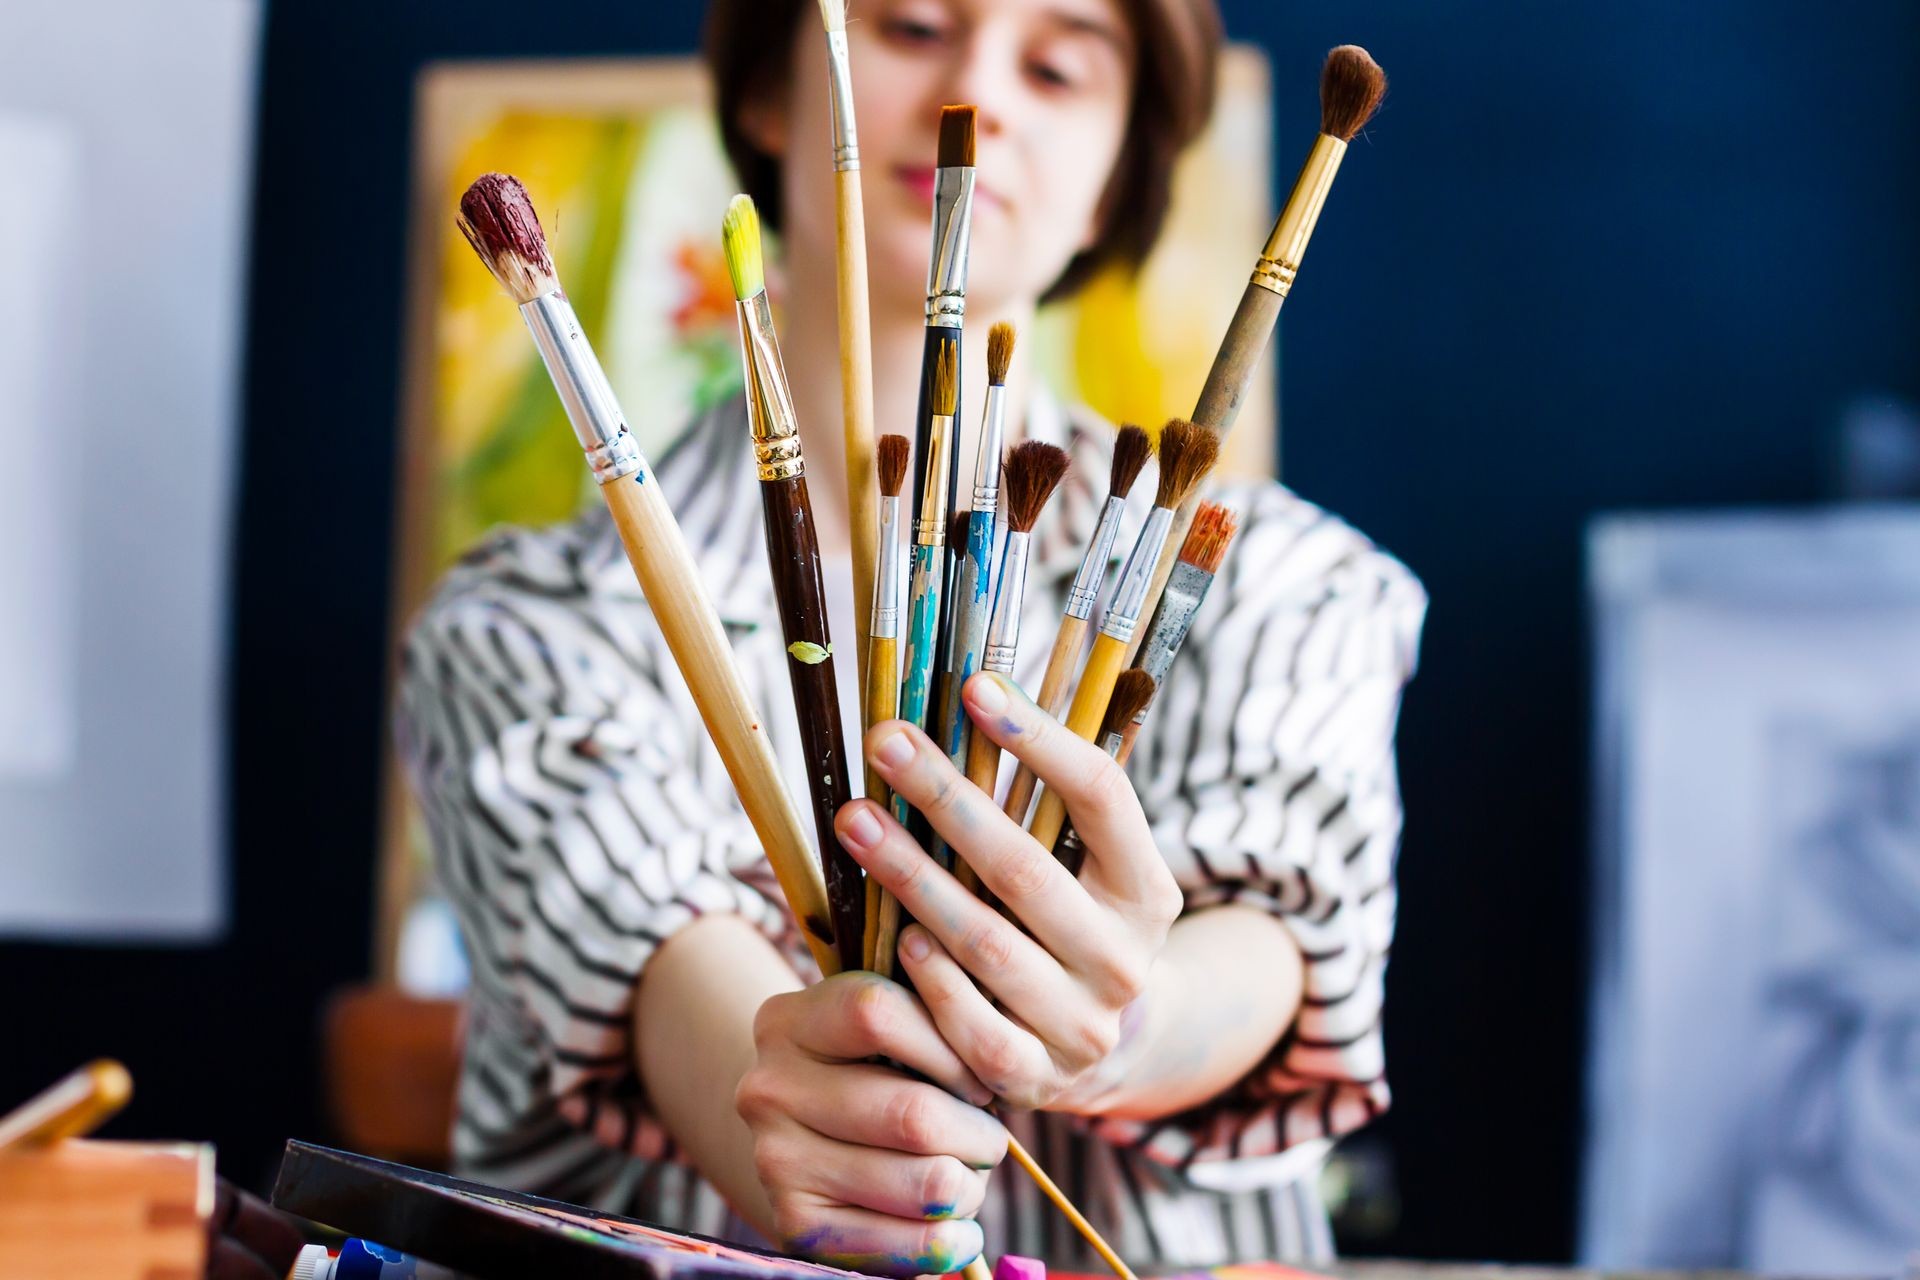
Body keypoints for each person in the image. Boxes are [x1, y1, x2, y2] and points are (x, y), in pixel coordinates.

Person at [395, 0, 1426, 1272]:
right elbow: (669, 983)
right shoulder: (525, 630)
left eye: (1057, 66)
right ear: (772, 95)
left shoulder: (1287, 585)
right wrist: (798, 1101)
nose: (980, 91)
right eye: (914, 25)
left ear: (1117, 183)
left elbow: (1274, 937)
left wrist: (1122, 1022)